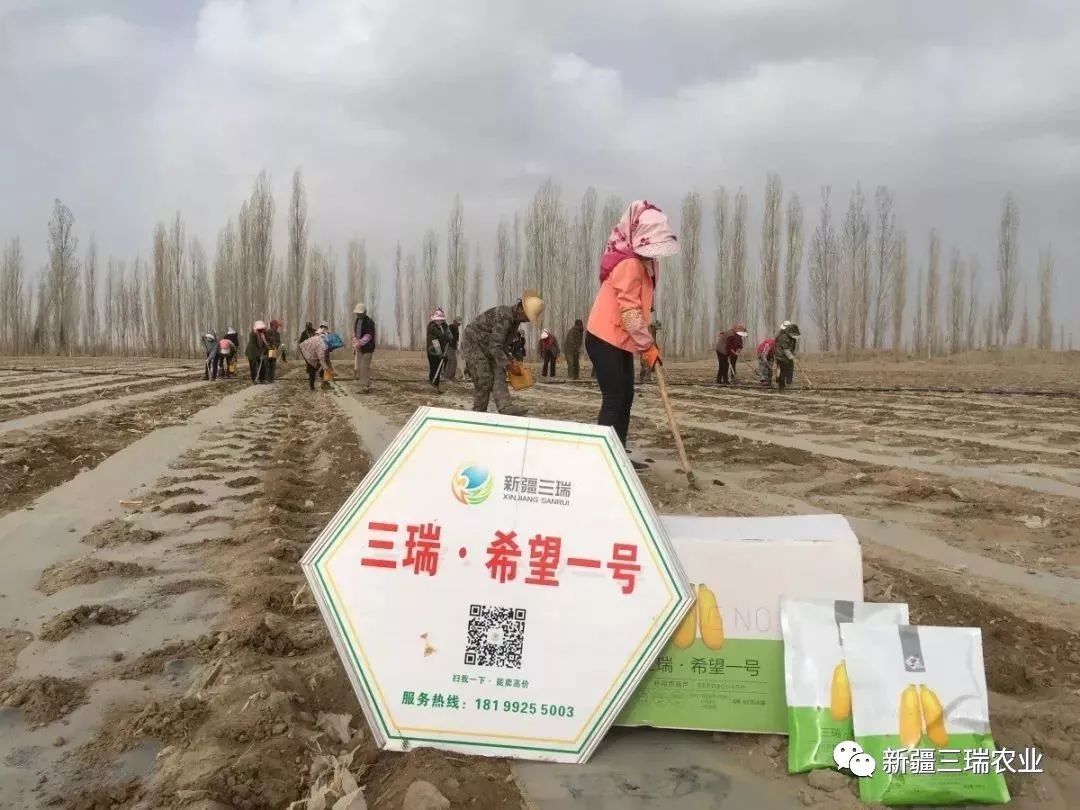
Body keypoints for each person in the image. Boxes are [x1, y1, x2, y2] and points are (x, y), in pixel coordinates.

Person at [586, 200, 679, 469]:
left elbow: (639, 312)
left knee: (626, 395)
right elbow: (630, 313)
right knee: (615, 397)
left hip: (619, 340)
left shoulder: (643, 263)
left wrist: (647, 345)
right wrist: (647, 347)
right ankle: (604, 462)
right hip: (604, 338)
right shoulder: (629, 264)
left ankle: (618, 455)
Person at [463, 290, 544, 415]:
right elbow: (495, 346)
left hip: (488, 345)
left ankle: (505, 406)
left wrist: (510, 360)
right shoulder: (505, 316)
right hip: (474, 343)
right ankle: (478, 413)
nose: (527, 320)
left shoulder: (514, 322)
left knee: (500, 371)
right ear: (521, 308)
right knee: (484, 378)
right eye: (528, 316)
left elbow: (501, 345)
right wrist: (509, 365)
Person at [352, 302, 376, 391]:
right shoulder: (357, 321)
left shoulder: (369, 322)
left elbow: (368, 336)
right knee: (358, 367)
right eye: (357, 313)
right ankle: (364, 384)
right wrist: (354, 339)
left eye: (360, 313)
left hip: (367, 348)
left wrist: (359, 342)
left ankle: (366, 386)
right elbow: (355, 333)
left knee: (364, 367)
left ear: (365, 312)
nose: (358, 315)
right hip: (359, 347)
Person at [426, 308, 452, 391]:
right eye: (437, 320)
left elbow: (449, 335)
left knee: (439, 368)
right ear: (434, 319)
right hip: (433, 350)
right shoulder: (432, 328)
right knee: (434, 368)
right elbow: (435, 342)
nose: (439, 321)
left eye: (441, 320)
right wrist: (440, 354)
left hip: (442, 349)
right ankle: (432, 383)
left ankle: (435, 385)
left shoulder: (444, 326)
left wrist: (449, 337)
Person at [776, 321, 800, 392]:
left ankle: (789, 383)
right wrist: (792, 357)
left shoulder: (792, 338)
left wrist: (793, 356)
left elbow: (792, 349)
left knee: (790, 369)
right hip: (781, 357)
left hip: (788, 357)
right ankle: (781, 388)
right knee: (782, 372)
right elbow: (786, 350)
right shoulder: (783, 337)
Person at [265, 319, 283, 383]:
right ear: (272, 325)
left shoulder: (277, 333)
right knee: (267, 364)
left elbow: (278, 341)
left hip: (273, 350)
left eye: (277, 326)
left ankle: (271, 379)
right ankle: (267, 378)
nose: (277, 327)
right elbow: (266, 340)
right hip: (268, 350)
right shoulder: (268, 332)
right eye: (276, 326)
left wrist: (276, 346)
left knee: (272, 364)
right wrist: (271, 345)